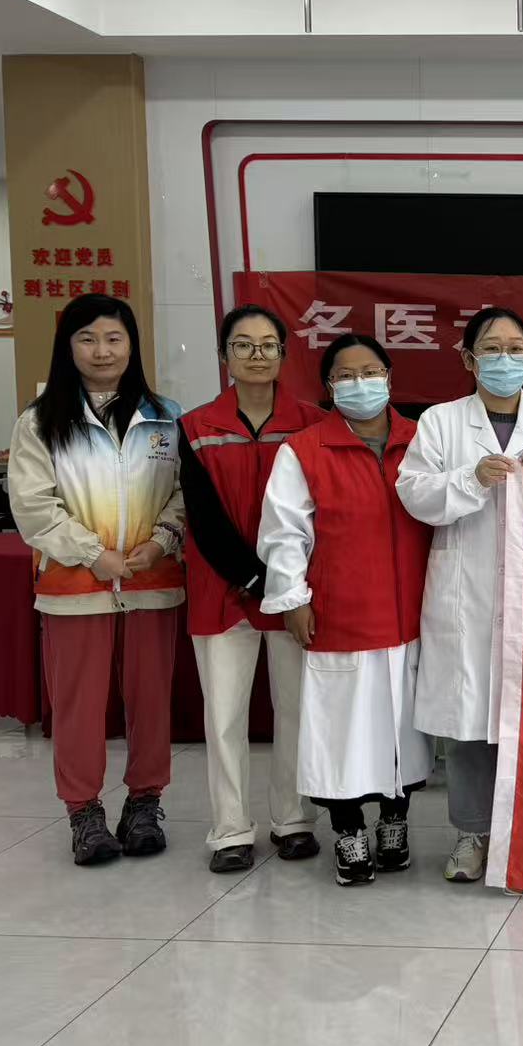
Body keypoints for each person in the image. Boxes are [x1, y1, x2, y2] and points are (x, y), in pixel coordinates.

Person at [396, 307, 523, 883]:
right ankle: (472, 835)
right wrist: (471, 479)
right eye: (492, 348)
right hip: (467, 593)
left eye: (515, 349)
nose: (505, 359)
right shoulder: (440, 422)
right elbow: (414, 494)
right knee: (469, 723)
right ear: (468, 358)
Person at [8, 294, 184, 866]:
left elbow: (185, 494)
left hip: (151, 578)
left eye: (114, 338)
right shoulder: (40, 421)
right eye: (87, 339)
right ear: (68, 348)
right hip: (74, 586)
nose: (102, 351)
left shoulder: (165, 416)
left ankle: (144, 804)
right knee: (78, 705)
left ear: (132, 346)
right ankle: (83, 812)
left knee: (151, 701)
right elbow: (33, 506)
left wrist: (162, 540)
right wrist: (92, 553)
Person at [257, 334, 435, 886]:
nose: (361, 384)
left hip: (412, 616)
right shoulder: (306, 449)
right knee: (342, 735)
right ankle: (349, 831)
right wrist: (293, 599)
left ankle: (394, 823)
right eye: (346, 375)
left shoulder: (422, 439)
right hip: (342, 616)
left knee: (405, 732)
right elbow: (285, 532)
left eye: (371, 372)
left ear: (390, 377)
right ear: (329, 386)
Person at [179, 304, 324, 874]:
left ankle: (293, 820)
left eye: (268, 344)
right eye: (243, 344)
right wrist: (254, 578)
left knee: (297, 710)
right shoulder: (195, 427)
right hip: (222, 590)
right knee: (224, 717)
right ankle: (231, 830)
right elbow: (202, 517)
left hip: (294, 593)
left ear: (284, 354)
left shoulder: (313, 423)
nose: (256, 354)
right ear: (224, 356)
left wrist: (285, 585)